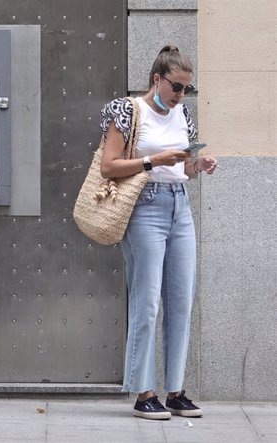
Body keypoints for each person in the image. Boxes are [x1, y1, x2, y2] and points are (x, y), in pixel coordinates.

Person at [99, 46, 218, 420]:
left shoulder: (183, 113)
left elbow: (183, 169)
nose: (182, 95)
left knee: (181, 301)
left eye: (187, 89)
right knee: (147, 302)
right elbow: (108, 166)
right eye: (177, 87)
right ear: (157, 79)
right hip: (144, 206)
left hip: (179, 205)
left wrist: (199, 165)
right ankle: (143, 392)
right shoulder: (127, 110)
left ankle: (176, 390)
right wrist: (154, 160)